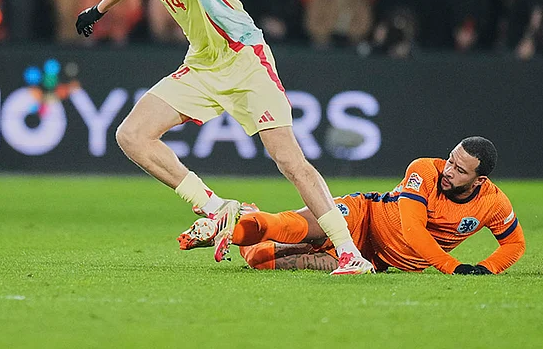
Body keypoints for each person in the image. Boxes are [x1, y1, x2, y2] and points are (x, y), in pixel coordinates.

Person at [63, 0, 372, 275]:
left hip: (244, 59)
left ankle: (349, 252)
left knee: (289, 161)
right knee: (131, 135)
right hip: (203, 64)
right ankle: (215, 206)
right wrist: (97, 11)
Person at [214, 137, 525, 275]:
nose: (449, 171)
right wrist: (452, 266)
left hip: (374, 260)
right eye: (451, 160)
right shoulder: (425, 171)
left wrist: (486, 268)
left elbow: (514, 244)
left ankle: (246, 224)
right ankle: (224, 226)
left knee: (262, 260)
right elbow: (412, 230)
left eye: (460, 170)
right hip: (363, 216)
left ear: (479, 180)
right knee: (288, 227)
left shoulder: (492, 202)